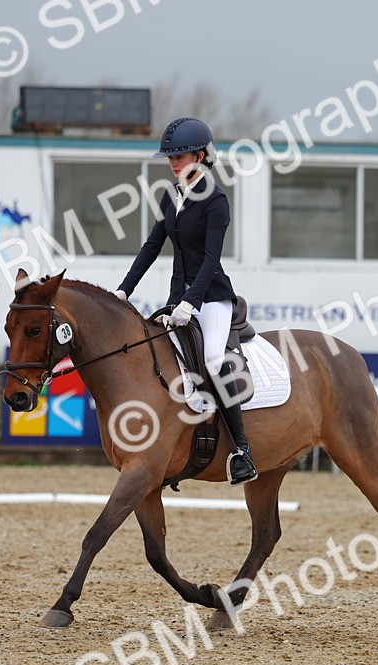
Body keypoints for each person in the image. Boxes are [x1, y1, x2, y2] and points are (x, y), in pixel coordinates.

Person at [114, 117, 258, 485]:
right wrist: (123, 291)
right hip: (178, 298)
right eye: (170, 157)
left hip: (211, 299)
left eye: (179, 156)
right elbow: (151, 248)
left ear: (200, 155)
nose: (173, 163)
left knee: (211, 358)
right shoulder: (170, 195)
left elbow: (211, 260)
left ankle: (242, 451)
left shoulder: (216, 200)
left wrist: (191, 304)